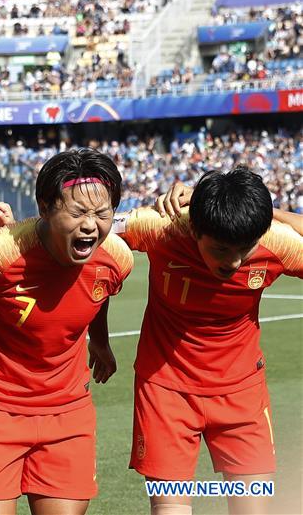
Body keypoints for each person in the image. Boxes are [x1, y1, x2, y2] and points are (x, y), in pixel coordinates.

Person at [0, 148, 133, 515]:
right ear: (46, 207)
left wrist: (100, 342)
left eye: (102, 213)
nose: (90, 224)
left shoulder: (116, 258)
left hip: (67, 412)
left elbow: (100, 291)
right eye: (78, 212)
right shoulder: (2, 252)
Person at [120, 169, 302, 515]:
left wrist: (263, 213)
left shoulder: (274, 244)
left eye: (243, 249)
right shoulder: (163, 228)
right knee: (170, 507)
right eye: (220, 249)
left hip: (241, 393)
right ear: (195, 228)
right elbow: (79, 228)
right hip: (165, 392)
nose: (233, 262)